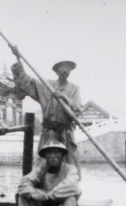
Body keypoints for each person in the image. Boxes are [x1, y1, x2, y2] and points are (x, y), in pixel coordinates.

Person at [9, 45, 82, 174]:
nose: (65, 71)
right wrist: (18, 57)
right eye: (61, 68)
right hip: (49, 135)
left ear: (71, 70)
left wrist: (65, 98)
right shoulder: (47, 86)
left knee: (69, 170)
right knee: (45, 170)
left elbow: (78, 110)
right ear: (56, 71)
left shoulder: (74, 89)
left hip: (65, 135)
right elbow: (27, 81)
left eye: (67, 68)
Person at [17, 141, 82, 206]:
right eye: (50, 153)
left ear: (62, 156)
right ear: (45, 156)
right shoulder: (40, 170)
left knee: (71, 197)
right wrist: (34, 193)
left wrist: (51, 195)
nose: (53, 156)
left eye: (57, 153)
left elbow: (71, 184)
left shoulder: (70, 169)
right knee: (22, 195)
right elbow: (24, 182)